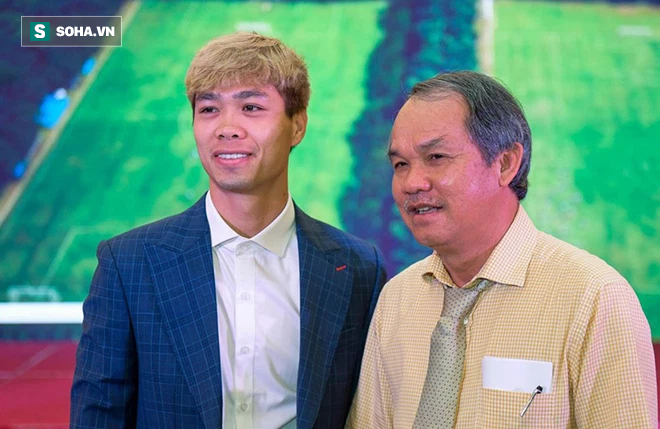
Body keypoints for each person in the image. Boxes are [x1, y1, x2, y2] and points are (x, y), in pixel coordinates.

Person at [70, 32, 387, 429]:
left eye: (251, 107)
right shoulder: (129, 264)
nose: (226, 127)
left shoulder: (358, 268)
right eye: (209, 109)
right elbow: (99, 414)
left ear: (297, 126)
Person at [347, 71, 657, 428]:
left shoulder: (593, 298)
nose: (412, 183)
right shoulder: (397, 299)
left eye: (436, 157)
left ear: (506, 163)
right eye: (401, 164)